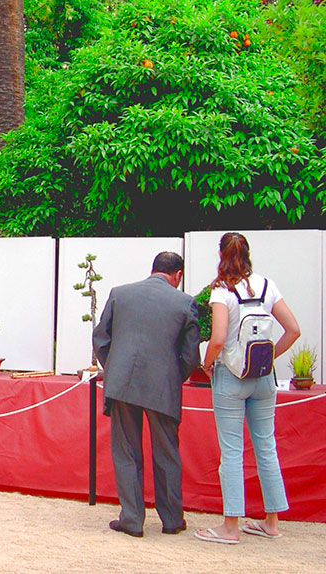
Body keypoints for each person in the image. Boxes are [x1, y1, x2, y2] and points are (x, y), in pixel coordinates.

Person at [194, 232, 300, 545]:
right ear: (248, 254)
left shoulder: (221, 291)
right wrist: (268, 358)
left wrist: (207, 364)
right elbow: (293, 329)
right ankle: (271, 522)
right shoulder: (267, 285)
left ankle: (231, 527)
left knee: (232, 451)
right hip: (264, 378)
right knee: (266, 447)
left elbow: (217, 339)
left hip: (231, 376)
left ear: (221, 256)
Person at [92, 252, 200, 537]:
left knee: (126, 450)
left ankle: (132, 519)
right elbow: (191, 356)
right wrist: (174, 377)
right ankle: (172, 520)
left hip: (123, 382)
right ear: (178, 275)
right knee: (167, 453)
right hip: (163, 386)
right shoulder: (185, 302)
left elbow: (100, 338)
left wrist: (114, 368)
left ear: (153, 269)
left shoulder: (120, 294)